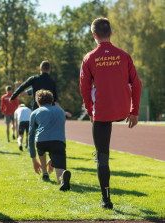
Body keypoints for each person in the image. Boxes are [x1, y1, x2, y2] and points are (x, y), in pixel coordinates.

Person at [80, 18, 142, 209]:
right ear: (111, 34)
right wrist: (134, 111)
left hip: (102, 113)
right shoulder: (124, 55)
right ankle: (105, 191)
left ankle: (106, 200)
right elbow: (137, 84)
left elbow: (84, 87)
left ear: (94, 35)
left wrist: (90, 110)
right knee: (102, 154)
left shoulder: (89, 58)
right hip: (123, 110)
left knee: (102, 155)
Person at [28, 89, 71, 191]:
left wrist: (34, 160)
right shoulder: (60, 111)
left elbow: (31, 136)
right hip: (58, 143)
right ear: (52, 101)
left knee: (41, 148)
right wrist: (53, 158)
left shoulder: (35, 112)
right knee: (60, 172)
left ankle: (45, 173)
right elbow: (56, 131)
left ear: (38, 102)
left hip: (41, 142)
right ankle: (62, 179)